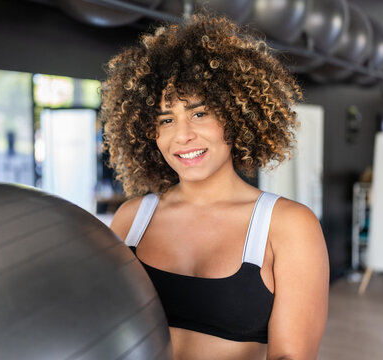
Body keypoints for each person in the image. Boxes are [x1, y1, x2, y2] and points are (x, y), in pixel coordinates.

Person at [100, 12, 329, 360]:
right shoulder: (132, 219)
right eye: (165, 119)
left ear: (236, 115)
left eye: (199, 113)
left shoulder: (288, 225)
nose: (182, 135)